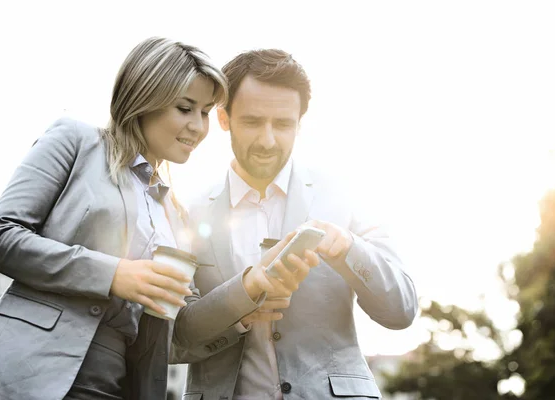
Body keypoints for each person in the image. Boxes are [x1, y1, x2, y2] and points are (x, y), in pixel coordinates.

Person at [171, 49, 419, 399]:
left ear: (300, 123)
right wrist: (241, 303)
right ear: (224, 118)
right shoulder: (186, 212)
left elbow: (402, 309)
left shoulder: (345, 195)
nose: (268, 140)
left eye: (283, 124)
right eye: (253, 122)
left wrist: (349, 249)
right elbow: (173, 340)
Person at [0, 36, 227, 400]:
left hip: (119, 386)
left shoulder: (175, 214)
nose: (198, 127)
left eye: (206, 112)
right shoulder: (76, 141)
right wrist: (113, 274)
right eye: (186, 108)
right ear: (144, 98)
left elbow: (181, 329)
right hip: (31, 374)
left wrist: (251, 294)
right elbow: (2, 234)